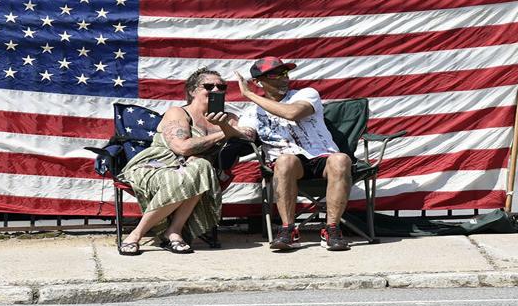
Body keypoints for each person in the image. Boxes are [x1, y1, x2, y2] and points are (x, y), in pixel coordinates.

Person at [117, 68, 245, 255]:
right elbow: (182, 148)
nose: (216, 90)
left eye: (221, 86)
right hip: (159, 165)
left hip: (198, 170)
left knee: (200, 166)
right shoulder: (179, 113)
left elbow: (249, 134)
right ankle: (150, 234)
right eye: (209, 86)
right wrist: (223, 133)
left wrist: (225, 126)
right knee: (194, 170)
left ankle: (166, 231)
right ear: (193, 91)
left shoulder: (229, 118)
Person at [233, 56, 353, 252]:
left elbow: (293, 113)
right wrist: (223, 126)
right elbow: (245, 135)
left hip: (321, 157)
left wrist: (249, 94)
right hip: (288, 163)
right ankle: (288, 230)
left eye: (285, 72)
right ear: (258, 82)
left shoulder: (306, 94)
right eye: (274, 75)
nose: (283, 78)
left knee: (341, 159)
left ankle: (332, 229)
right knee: (285, 161)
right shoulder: (251, 113)